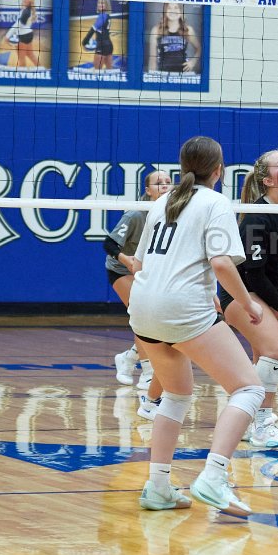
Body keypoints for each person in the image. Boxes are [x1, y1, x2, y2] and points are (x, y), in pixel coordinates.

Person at [128, 135, 266, 516]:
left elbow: (139, 265)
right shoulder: (215, 202)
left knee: (175, 395)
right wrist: (247, 303)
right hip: (180, 309)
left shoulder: (163, 202)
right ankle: (214, 476)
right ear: (219, 171)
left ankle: (158, 488)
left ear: (182, 167)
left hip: (143, 308)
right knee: (249, 388)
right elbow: (220, 263)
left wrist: (200, 292)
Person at [221, 149, 278, 449]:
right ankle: (261, 424)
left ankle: (248, 422)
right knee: (275, 349)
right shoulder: (256, 218)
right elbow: (254, 276)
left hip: (271, 288)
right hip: (241, 292)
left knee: (266, 357)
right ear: (268, 181)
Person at [105, 170, 172, 409]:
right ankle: (147, 371)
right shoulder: (135, 214)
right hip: (121, 269)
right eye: (158, 183)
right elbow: (109, 243)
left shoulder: (171, 213)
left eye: (168, 182)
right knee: (141, 315)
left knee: (155, 318)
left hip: (148, 272)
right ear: (148, 190)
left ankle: (128, 357)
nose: (165, 186)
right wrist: (128, 261)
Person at [148, 2, 201, 74]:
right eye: (169, 8)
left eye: (176, 8)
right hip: (163, 74)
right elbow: (152, 58)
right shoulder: (156, 30)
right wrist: (151, 76)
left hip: (183, 74)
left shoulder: (188, 30)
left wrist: (192, 62)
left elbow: (199, 49)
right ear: (165, 11)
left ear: (181, 11)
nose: (173, 11)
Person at [5, 0, 40, 69]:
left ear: (30, 1)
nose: (24, 0)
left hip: (23, 36)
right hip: (29, 34)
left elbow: (18, 25)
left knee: (21, 58)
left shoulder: (26, 11)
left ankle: (21, 74)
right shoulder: (29, 10)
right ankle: (41, 69)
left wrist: (7, 36)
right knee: (30, 55)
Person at [82, 0, 115, 71]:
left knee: (97, 72)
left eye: (102, 3)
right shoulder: (108, 15)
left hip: (101, 46)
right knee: (110, 72)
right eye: (99, 3)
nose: (100, 5)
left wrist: (84, 42)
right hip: (109, 46)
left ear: (107, 5)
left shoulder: (102, 16)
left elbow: (92, 31)